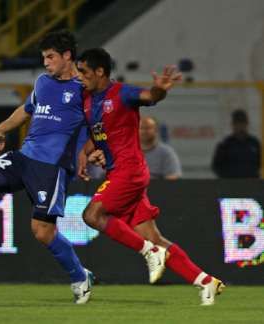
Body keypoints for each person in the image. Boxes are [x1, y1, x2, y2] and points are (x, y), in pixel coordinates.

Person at [0, 30, 164, 304]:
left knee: (42, 232)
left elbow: (108, 119)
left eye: (50, 57)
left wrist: (101, 151)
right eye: (43, 58)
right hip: (24, 157)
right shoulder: (43, 82)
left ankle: (79, 275)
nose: (46, 63)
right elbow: (26, 110)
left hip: (52, 168)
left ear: (67, 56)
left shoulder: (87, 88)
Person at [77, 48, 224, 306]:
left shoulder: (122, 92)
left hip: (128, 170)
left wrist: (160, 90)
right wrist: (84, 154)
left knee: (91, 215)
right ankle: (206, 281)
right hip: (122, 172)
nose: (81, 77)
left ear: (100, 71)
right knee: (155, 237)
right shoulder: (88, 100)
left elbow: (149, 95)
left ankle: (149, 252)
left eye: (84, 72)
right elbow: (98, 135)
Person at [212, 109, 261, 178]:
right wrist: (227, 178)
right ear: (232, 125)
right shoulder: (225, 144)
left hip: (251, 185)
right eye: (237, 124)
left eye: (243, 123)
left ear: (247, 124)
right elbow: (216, 166)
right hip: (231, 186)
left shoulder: (255, 143)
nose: (240, 126)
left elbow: (260, 164)